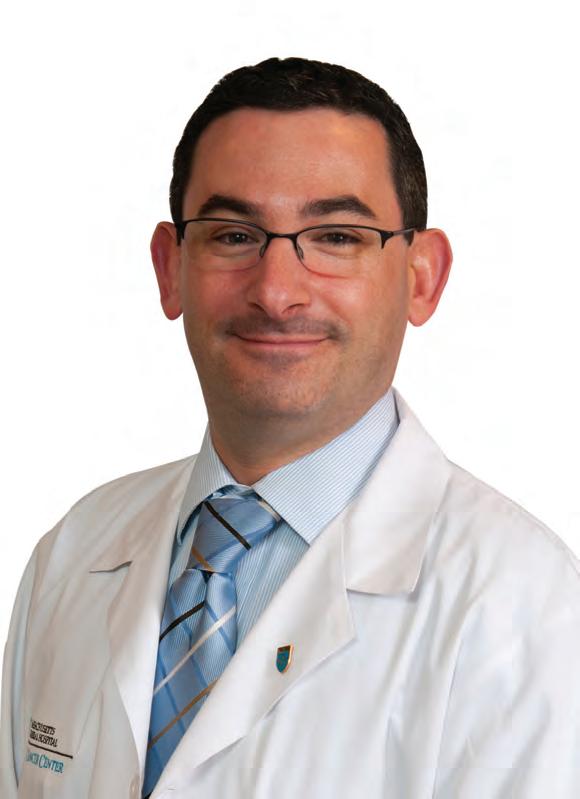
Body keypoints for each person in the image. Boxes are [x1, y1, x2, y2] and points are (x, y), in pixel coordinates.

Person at [1, 56, 580, 799]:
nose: (276, 293)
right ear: (170, 268)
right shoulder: (73, 554)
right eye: (233, 235)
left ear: (422, 277)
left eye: (336, 236)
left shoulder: (525, 613)